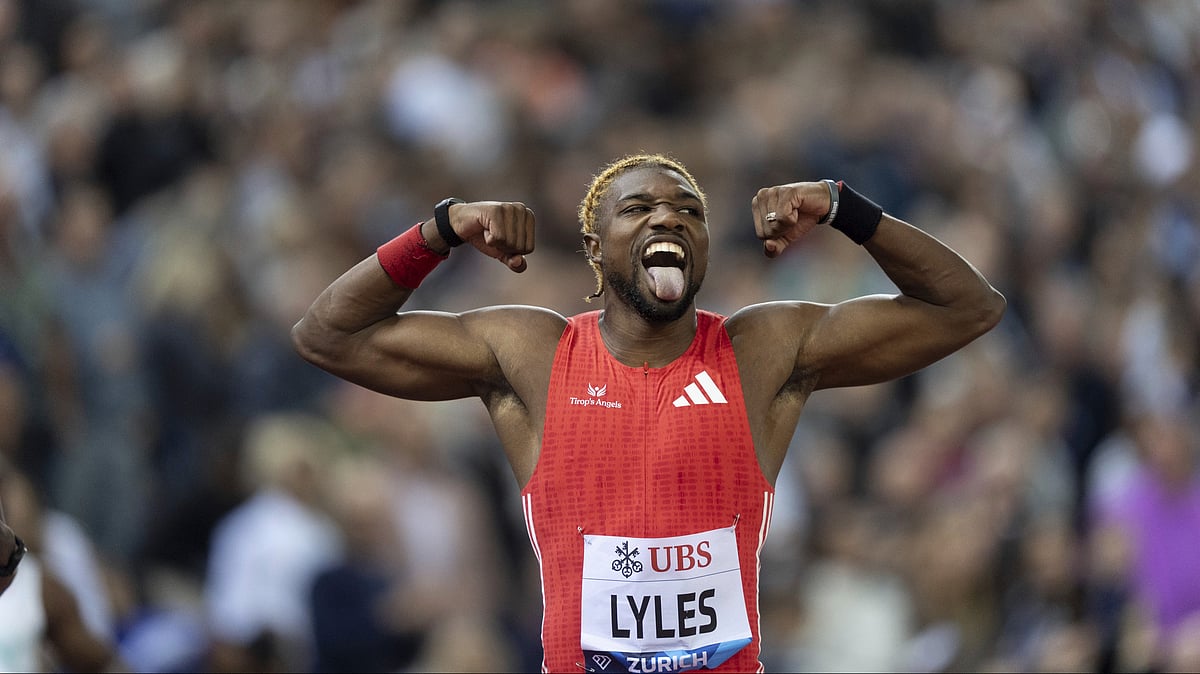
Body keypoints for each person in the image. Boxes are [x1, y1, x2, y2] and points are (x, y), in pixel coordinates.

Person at [292, 153, 1006, 672]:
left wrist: (845, 209)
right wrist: (439, 232)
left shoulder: (761, 350)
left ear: (700, 251)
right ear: (598, 251)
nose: (668, 216)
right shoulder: (532, 354)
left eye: (688, 212)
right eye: (639, 209)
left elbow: (968, 308)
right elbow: (328, 335)